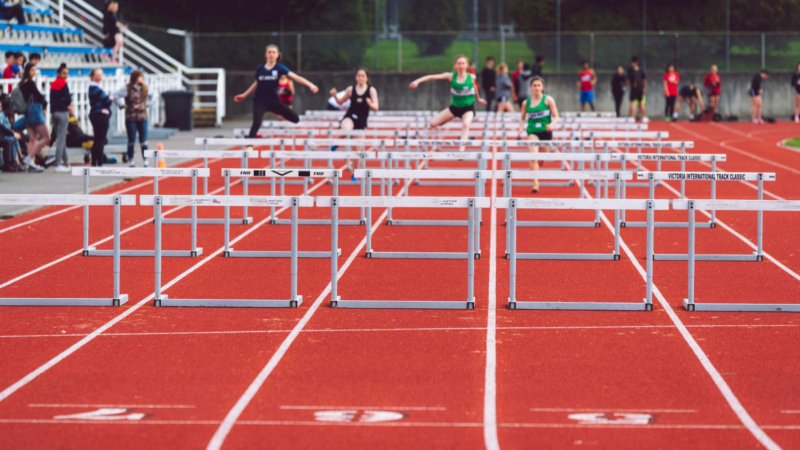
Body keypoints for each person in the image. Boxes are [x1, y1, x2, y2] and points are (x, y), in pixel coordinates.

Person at [235, 44, 319, 138]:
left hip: (274, 101)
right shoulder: (260, 68)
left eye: (273, 52)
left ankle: (273, 111)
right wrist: (244, 95)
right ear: (265, 54)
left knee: (295, 119)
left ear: (277, 55)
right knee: (256, 123)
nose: (271, 54)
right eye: (269, 52)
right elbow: (256, 83)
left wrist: (310, 85)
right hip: (260, 101)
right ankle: (249, 149)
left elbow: (296, 77)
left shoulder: (279, 68)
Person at [409, 55, 486, 152]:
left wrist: (478, 99)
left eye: (463, 63)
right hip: (454, 107)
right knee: (433, 124)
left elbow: (474, 88)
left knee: (466, 125)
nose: (461, 66)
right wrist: (417, 81)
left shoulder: (471, 77)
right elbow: (432, 77)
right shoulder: (450, 76)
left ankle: (461, 150)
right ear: (455, 65)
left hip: (468, 108)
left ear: (466, 66)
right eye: (459, 64)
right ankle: (449, 118)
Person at [329, 69, 379, 181]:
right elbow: (341, 102)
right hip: (350, 115)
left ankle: (354, 173)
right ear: (356, 77)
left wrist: (370, 104)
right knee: (345, 129)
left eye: (363, 76)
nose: (360, 78)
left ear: (367, 78)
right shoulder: (351, 89)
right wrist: (334, 95)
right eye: (358, 75)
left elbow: (376, 107)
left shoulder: (371, 90)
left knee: (357, 150)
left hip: (361, 120)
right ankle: (336, 144)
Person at [517, 76, 559, 194]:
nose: (536, 88)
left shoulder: (548, 100)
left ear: (542, 87)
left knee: (541, 160)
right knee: (533, 156)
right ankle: (535, 182)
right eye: (534, 85)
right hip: (532, 132)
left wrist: (552, 125)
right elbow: (522, 118)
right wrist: (521, 128)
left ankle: (540, 163)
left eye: (538, 85)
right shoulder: (526, 102)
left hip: (546, 132)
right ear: (531, 87)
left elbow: (556, 116)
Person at [113, 69, 152, 167]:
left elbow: (153, 96)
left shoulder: (145, 88)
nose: (142, 79)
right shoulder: (127, 88)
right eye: (140, 77)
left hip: (143, 117)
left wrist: (147, 105)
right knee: (131, 139)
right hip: (131, 118)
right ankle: (131, 160)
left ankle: (145, 160)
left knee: (144, 140)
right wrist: (122, 105)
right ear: (135, 78)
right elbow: (115, 95)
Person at [18, 63, 49, 172]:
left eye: (35, 70)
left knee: (32, 139)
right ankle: (29, 158)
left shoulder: (21, 83)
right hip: (35, 110)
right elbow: (39, 96)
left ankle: (31, 165)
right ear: (27, 71)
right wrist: (44, 103)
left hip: (28, 111)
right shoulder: (30, 82)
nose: (34, 72)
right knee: (46, 137)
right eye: (32, 70)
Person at [88, 68, 114, 167]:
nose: (100, 77)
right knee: (100, 139)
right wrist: (110, 98)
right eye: (98, 75)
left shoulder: (93, 88)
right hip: (100, 115)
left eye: (101, 75)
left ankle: (94, 162)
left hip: (95, 114)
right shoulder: (95, 88)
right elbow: (107, 101)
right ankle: (100, 162)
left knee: (97, 139)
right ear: (93, 76)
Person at [50, 63, 72, 173]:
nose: (66, 75)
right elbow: (68, 99)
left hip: (54, 113)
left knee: (60, 138)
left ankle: (66, 162)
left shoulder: (53, 84)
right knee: (61, 139)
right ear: (59, 73)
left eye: (67, 73)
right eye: (64, 73)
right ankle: (57, 164)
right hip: (62, 113)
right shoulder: (63, 84)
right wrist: (64, 100)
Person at [627, 56, 647, 122]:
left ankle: (632, 117)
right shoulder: (641, 68)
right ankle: (644, 117)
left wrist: (625, 84)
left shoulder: (630, 69)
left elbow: (628, 79)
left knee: (632, 102)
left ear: (632, 62)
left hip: (634, 87)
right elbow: (644, 79)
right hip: (640, 87)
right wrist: (644, 87)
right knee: (641, 102)